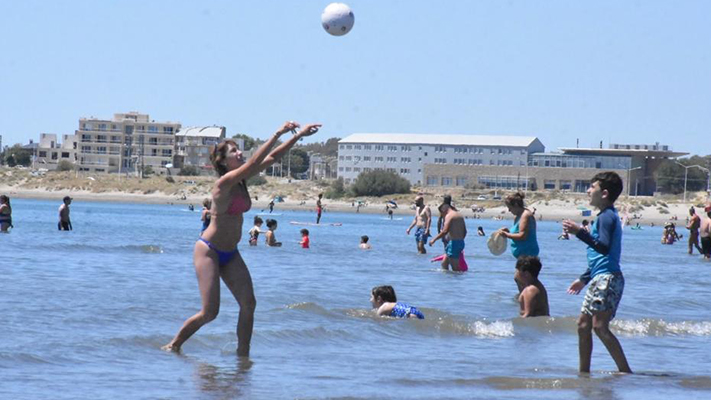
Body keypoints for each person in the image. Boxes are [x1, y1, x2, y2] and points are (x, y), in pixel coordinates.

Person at [162, 121, 320, 356]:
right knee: (210, 312)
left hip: (231, 252)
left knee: (249, 304)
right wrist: (277, 132)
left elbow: (273, 157)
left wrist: (298, 137)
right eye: (234, 151)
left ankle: (242, 355)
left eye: (239, 149)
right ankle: (173, 345)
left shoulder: (242, 180)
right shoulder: (223, 184)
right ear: (224, 162)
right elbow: (256, 161)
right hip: (209, 250)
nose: (240, 153)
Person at [562, 171, 632, 374]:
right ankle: (584, 373)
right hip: (599, 277)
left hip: (608, 279)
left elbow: (603, 247)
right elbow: (600, 257)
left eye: (592, 187)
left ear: (604, 193)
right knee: (583, 325)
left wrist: (579, 232)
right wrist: (584, 279)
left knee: (599, 327)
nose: (588, 190)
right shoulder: (603, 216)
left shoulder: (608, 216)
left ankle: (625, 371)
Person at [497, 192, 539, 294]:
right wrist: (508, 231)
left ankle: (527, 298)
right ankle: (523, 298)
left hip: (528, 254)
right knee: (520, 279)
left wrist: (506, 235)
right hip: (521, 255)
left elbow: (522, 235)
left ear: (516, 205)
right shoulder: (518, 216)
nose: (509, 210)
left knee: (520, 278)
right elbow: (515, 233)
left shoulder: (525, 215)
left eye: (509, 207)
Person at [428, 202, 467, 271]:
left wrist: (434, 239)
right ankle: (446, 280)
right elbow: (465, 232)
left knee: (455, 267)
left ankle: (458, 280)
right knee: (444, 263)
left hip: (454, 243)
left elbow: (445, 231)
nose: (442, 216)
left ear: (444, 210)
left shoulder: (449, 216)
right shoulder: (459, 215)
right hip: (459, 242)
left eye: (442, 214)